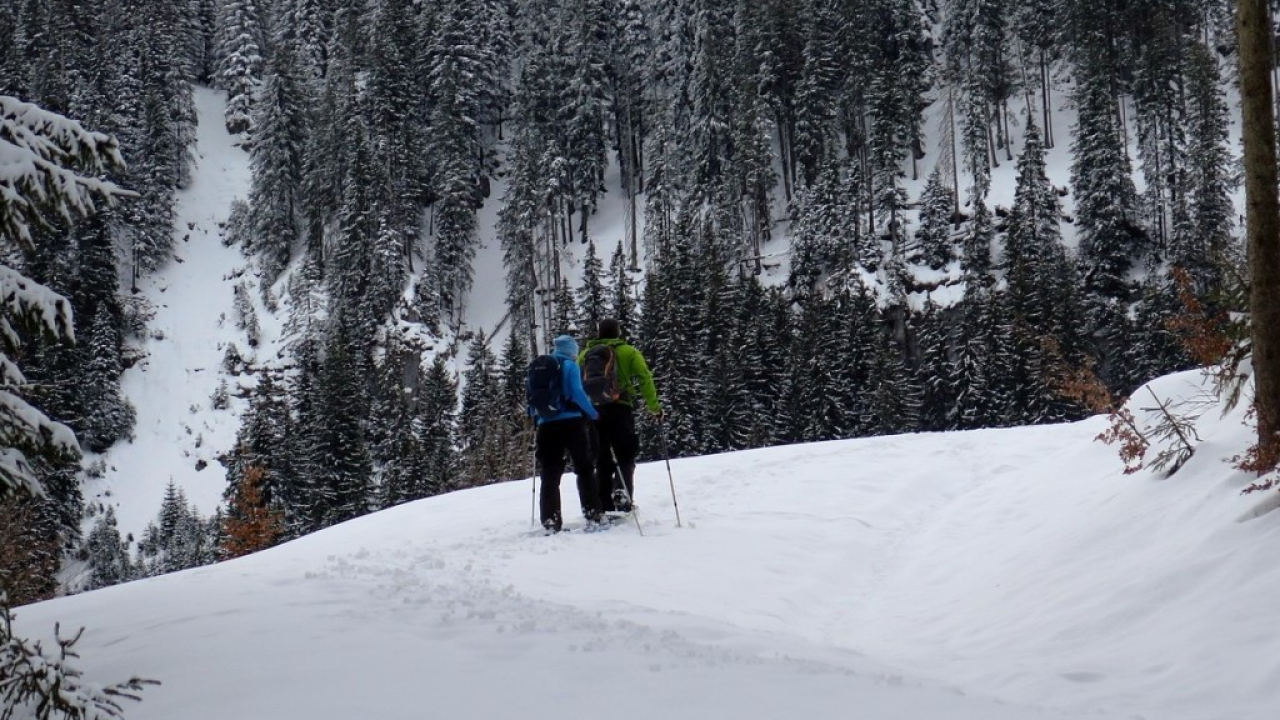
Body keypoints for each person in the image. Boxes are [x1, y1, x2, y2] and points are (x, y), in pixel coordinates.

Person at [579, 318, 662, 513]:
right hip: (621, 407)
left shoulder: (584, 355)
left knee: (602, 457)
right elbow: (644, 377)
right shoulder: (628, 352)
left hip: (595, 412)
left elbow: (577, 384)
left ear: (599, 333)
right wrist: (654, 407)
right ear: (618, 333)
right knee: (625, 453)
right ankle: (622, 492)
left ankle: (603, 503)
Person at [532, 334, 604, 533]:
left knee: (550, 474)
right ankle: (593, 514)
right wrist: (593, 413)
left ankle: (550, 521)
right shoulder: (570, 366)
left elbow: (533, 399)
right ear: (572, 350)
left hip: (546, 426)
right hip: (571, 424)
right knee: (584, 468)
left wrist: (537, 419)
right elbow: (577, 393)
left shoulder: (541, 367)